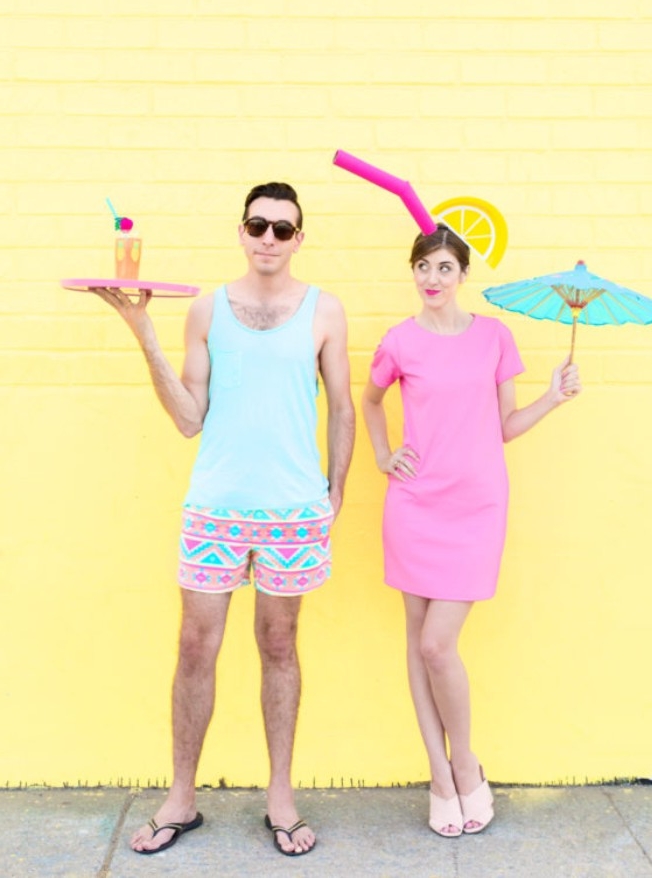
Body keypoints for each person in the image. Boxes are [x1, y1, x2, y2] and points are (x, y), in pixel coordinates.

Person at [93, 182, 355, 857]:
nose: (269, 238)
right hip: (216, 508)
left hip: (293, 512)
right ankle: (182, 798)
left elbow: (345, 408)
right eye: (258, 225)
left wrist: (336, 491)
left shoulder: (325, 311)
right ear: (241, 232)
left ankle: (280, 798)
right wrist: (143, 330)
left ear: (300, 239)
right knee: (194, 648)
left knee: (278, 645)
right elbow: (187, 418)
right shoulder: (207, 309)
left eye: (283, 229)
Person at [361, 225, 581, 839]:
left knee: (437, 645)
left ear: (463, 276)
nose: (433, 279)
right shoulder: (399, 342)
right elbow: (372, 401)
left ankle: (467, 764)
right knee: (416, 639)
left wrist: (553, 398)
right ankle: (440, 776)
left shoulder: (494, 337)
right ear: (414, 273)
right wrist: (383, 455)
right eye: (423, 267)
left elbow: (506, 426)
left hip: (476, 507)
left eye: (444, 268)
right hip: (414, 503)